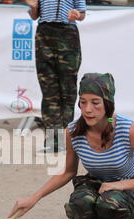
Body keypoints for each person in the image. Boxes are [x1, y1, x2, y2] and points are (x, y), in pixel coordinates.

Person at [8, 73, 134, 219]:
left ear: (108, 104)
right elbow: (68, 172)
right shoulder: (73, 131)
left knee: (109, 206)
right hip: (95, 186)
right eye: (83, 102)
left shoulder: (128, 129)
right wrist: (34, 197)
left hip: (126, 191)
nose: (88, 109)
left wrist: (119, 185)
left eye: (95, 102)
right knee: (80, 202)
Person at [25, 0, 86, 153]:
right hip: (44, 33)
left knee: (68, 91)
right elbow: (34, 16)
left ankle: (67, 139)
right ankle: (52, 141)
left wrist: (77, 15)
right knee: (49, 91)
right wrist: (33, 7)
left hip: (68, 33)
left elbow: (82, 14)